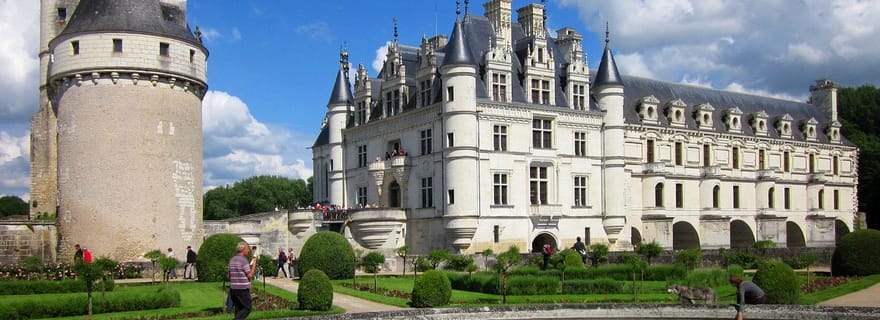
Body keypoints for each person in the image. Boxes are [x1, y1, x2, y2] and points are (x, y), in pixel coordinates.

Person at [228, 241, 257, 320]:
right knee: (247, 308)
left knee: (239, 309)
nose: (248, 251)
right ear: (243, 249)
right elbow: (250, 275)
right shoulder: (243, 260)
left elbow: (229, 276)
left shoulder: (232, 260)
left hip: (233, 289)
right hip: (242, 289)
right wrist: (254, 265)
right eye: (247, 248)